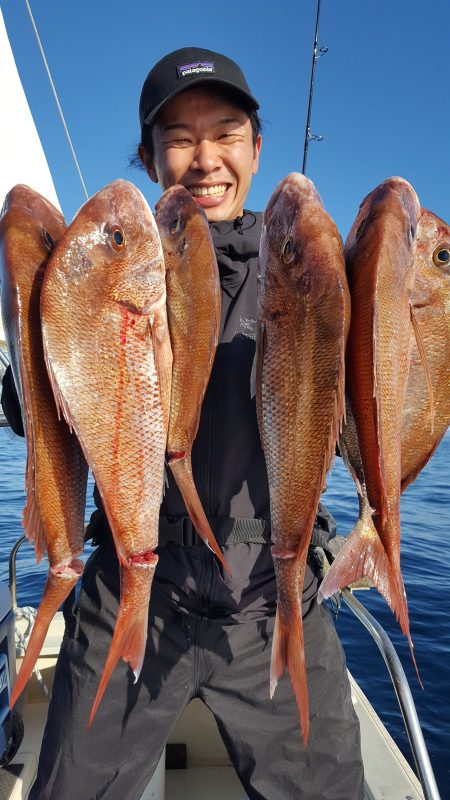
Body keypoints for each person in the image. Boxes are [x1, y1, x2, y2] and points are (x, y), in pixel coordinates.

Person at [2, 47, 364, 800]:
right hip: (136, 585)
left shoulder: (308, 269)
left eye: (226, 133)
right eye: (178, 138)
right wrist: (37, 369)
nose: (205, 159)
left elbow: (368, 391)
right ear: (148, 157)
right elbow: (53, 401)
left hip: (270, 599)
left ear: (256, 147)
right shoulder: (114, 266)